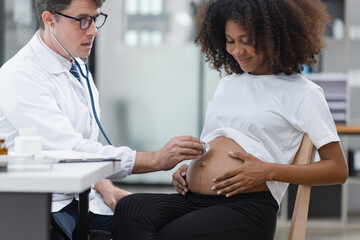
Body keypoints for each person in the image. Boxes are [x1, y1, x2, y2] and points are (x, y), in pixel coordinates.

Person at [112, 0, 349, 239]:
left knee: (169, 234)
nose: (237, 51)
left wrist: (267, 172)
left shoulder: (304, 93)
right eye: (230, 40)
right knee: (130, 208)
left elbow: (337, 169)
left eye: (247, 41)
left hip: (247, 207)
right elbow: (212, 146)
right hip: (194, 199)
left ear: (274, 36)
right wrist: (189, 170)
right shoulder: (228, 84)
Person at [0, 0, 205, 239]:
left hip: (82, 197)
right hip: (45, 207)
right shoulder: (21, 76)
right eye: (83, 20)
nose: (94, 30)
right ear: (49, 19)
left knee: (165, 221)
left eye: (95, 19)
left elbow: (81, 148)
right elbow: (71, 150)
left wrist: (105, 186)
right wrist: (156, 160)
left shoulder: (75, 66)